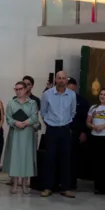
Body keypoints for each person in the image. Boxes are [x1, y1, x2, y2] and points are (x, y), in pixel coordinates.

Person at [40, 70, 77, 198]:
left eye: (63, 78)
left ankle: (65, 188)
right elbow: (43, 112)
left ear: (66, 80)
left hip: (65, 129)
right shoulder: (47, 94)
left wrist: (65, 122)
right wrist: (49, 123)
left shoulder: (72, 95)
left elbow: (73, 112)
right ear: (55, 80)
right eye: (59, 78)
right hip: (52, 130)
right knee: (50, 159)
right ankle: (48, 187)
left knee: (66, 159)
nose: (61, 80)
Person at [4, 81, 40, 194]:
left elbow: (35, 116)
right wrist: (15, 123)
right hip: (15, 132)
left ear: (25, 90)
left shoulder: (32, 103)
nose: (18, 91)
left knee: (27, 157)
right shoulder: (11, 103)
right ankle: (15, 184)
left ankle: (25, 184)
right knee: (15, 157)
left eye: (20, 89)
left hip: (27, 133)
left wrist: (25, 122)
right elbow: (8, 118)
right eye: (16, 89)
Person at [87, 88, 105, 194]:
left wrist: (104, 126)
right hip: (95, 137)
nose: (102, 96)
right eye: (101, 94)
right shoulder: (93, 108)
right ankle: (98, 186)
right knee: (97, 162)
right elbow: (88, 122)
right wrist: (93, 126)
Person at [67, 78, 91, 191]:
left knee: (74, 159)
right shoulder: (62, 99)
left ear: (75, 88)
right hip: (64, 132)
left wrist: (84, 132)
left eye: (72, 89)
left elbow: (87, 119)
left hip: (77, 133)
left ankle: (72, 184)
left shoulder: (83, 101)